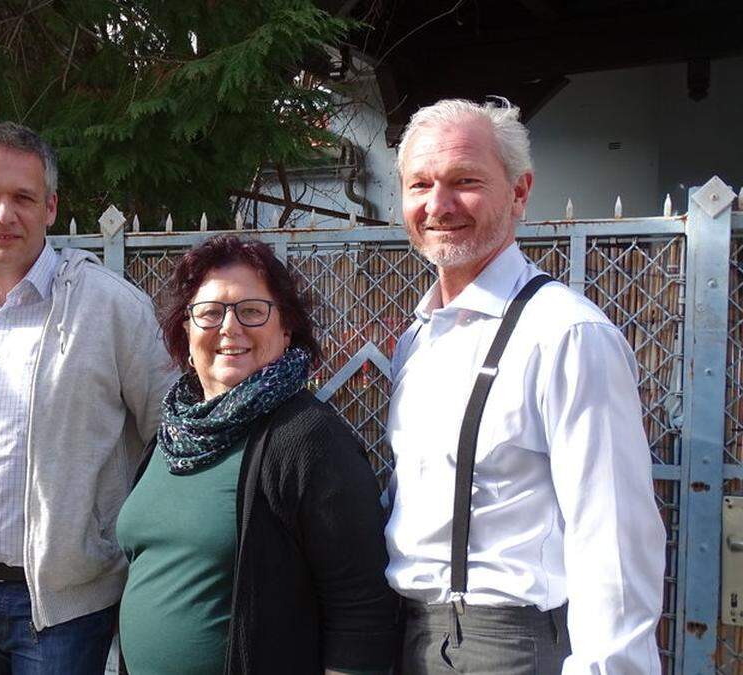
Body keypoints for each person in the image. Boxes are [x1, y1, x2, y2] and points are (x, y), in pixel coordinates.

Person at [384, 98, 666, 673]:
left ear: (518, 191)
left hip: (505, 646)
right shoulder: (417, 338)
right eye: (420, 184)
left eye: (465, 181)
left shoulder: (565, 333)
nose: (438, 204)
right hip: (406, 636)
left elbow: (612, 537)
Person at [0, 121, 176, 674]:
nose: (4, 214)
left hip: (61, 608)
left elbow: (169, 434)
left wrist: (117, 545)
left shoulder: (110, 306)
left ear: (50, 208)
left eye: (23, 197)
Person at [116, 234, 400, 675]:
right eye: (209, 313)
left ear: (285, 329)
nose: (229, 328)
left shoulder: (308, 439)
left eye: (251, 311)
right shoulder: (174, 432)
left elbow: (362, 607)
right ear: (185, 331)